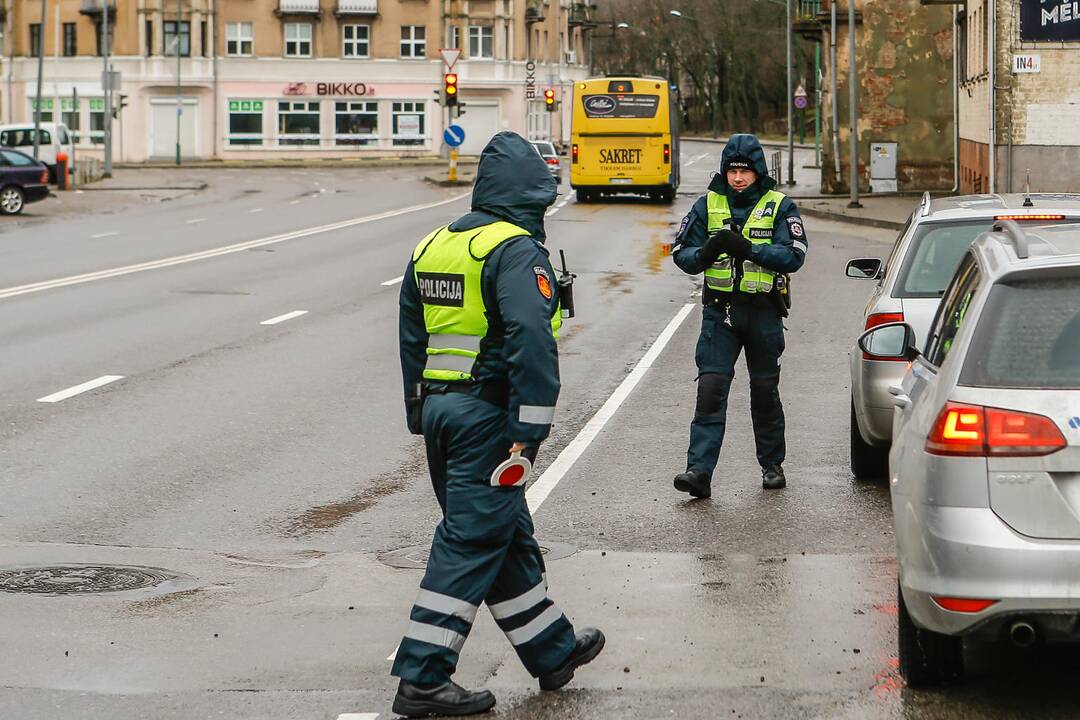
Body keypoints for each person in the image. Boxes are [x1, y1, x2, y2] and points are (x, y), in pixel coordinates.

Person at [393, 131, 604, 717]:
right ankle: (422, 677)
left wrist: (420, 410)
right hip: (488, 419)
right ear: (527, 197)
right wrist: (529, 429)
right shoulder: (514, 250)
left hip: (441, 412)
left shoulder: (432, 244)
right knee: (470, 541)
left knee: (504, 536)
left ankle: (552, 652)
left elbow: (413, 336)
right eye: (541, 200)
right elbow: (531, 341)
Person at [670, 133, 808, 498]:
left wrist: (750, 249)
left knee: (764, 391)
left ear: (758, 171)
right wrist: (707, 251)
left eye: (745, 171)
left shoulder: (780, 205)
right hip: (720, 314)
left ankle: (772, 465)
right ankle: (698, 471)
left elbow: (794, 254)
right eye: (732, 171)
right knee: (711, 390)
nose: (738, 178)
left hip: (763, 313)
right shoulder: (707, 205)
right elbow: (682, 253)